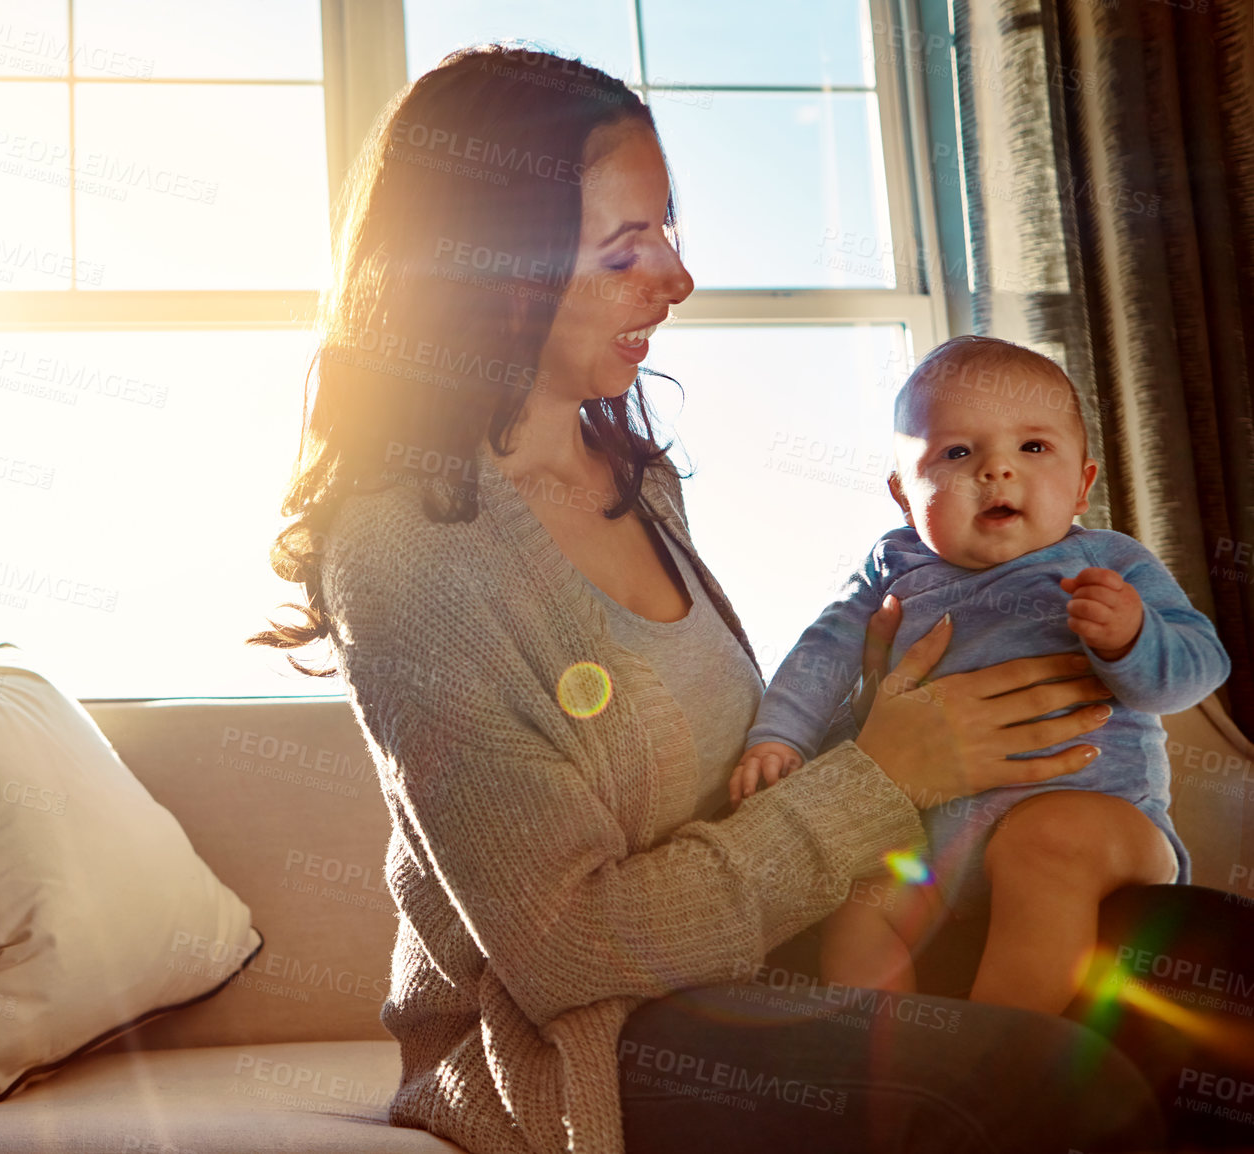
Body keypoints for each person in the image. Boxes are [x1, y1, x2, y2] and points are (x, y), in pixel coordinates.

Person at [250, 45, 1193, 1154]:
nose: (675, 279)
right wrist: (885, 770)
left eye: (667, 232)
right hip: (598, 1036)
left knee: (1218, 989)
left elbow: (726, 794)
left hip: (773, 954)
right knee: (1049, 1083)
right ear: (488, 266)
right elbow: (568, 951)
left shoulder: (634, 480)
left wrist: (886, 704)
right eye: (623, 248)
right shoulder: (405, 556)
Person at [730, 336, 1231, 1013]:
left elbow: (1201, 668)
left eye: (1033, 448)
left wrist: (1134, 638)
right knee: (858, 904)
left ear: (1083, 483)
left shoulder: (1108, 560)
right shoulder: (892, 568)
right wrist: (780, 737)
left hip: (1102, 826)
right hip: (937, 852)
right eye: (958, 453)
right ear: (903, 495)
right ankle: (889, 1070)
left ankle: (996, 1061)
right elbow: (822, 652)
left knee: (1044, 839)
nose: (997, 470)